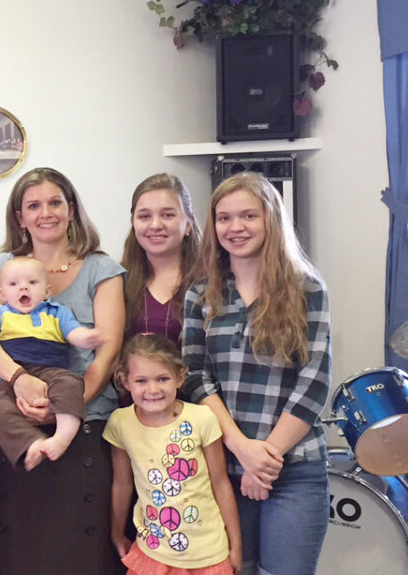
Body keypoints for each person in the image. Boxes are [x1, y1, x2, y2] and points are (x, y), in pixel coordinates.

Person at [181, 173, 331, 575]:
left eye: (249, 215)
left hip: (294, 468)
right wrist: (243, 450)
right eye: (224, 218)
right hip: (222, 468)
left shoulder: (307, 289)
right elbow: (195, 377)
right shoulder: (201, 293)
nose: (235, 227)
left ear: (271, 220)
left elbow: (314, 382)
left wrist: (266, 458)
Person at [0, 167, 126, 574]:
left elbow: (108, 350)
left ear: (72, 209)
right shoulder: (2, 266)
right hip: (16, 420)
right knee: (22, 552)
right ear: (19, 217)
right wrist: (20, 381)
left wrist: (70, 404)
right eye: (34, 205)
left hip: (85, 423)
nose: (46, 212)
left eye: (55, 202)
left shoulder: (102, 268)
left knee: (82, 555)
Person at [107, 333, 241, 575]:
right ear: (125, 381)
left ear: (179, 377)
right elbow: (122, 484)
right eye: (141, 381)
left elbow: (220, 483)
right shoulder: (120, 423)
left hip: (208, 556)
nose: (153, 389)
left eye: (162, 378)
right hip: (152, 553)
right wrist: (116, 533)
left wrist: (237, 547)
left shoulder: (202, 418)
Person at [0, 257, 103, 470]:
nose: (23, 287)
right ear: (2, 295)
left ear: (47, 291)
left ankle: (62, 437)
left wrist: (87, 338)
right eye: (13, 284)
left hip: (54, 372)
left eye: (32, 282)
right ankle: (31, 443)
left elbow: (74, 333)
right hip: (13, 374)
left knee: (72, 385)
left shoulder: (57, 312)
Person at [122, 174, 202, 344]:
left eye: (167, 215)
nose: (156, 225)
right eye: (145, 216)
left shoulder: (211, 281)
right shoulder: (117, 281)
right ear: (133, 223)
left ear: (188, 224)